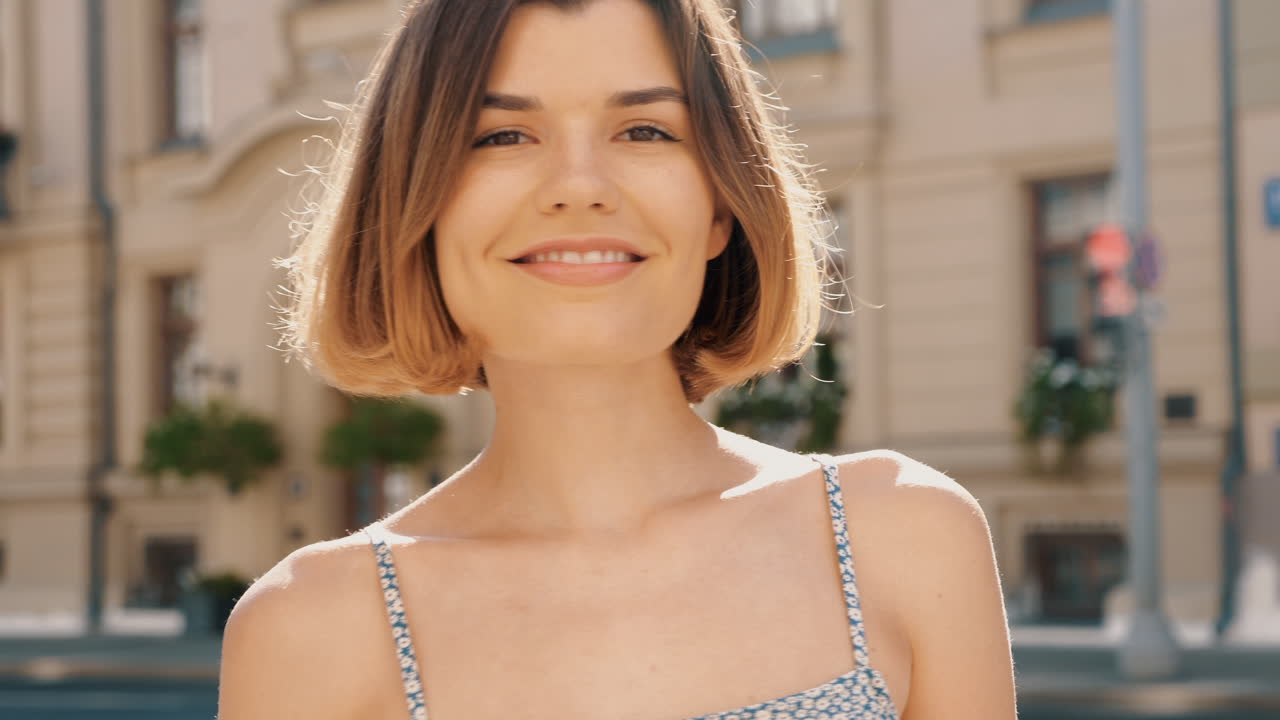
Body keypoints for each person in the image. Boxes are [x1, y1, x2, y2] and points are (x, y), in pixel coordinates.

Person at [216, 0, 1018, 718]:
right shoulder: (308, 629)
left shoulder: (908, 537)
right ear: (413, 213)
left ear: (720, 207)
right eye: (502, 135)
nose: (579, 187)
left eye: (644, 130)